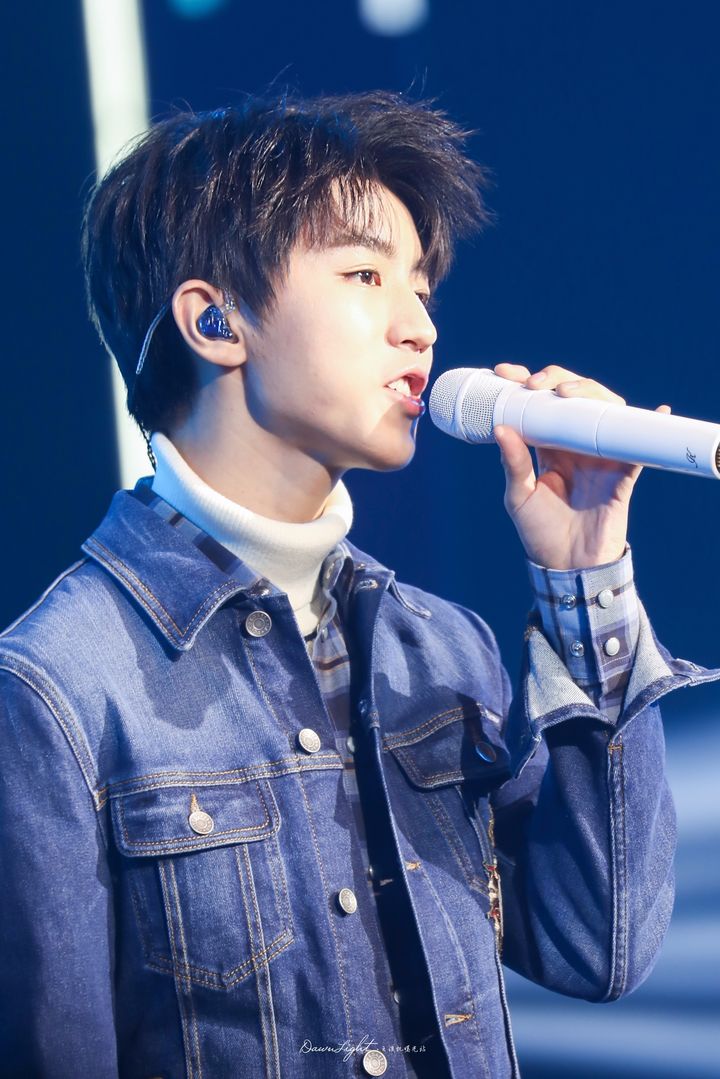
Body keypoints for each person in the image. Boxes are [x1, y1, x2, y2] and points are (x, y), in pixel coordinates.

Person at [0, 91, 714, 1079]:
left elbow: (600, 945)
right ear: (215, 319)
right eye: (367, 274)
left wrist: (586, 570)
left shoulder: (440, 648)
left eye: (420, 286)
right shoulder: (57, 690)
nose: (419, 327)